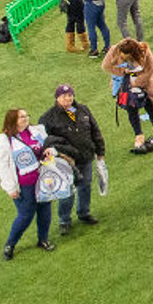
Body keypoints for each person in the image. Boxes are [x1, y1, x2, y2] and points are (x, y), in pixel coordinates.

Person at [38, 84, 104, 235]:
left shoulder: (83, 110)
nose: (68, 98)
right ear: (57, 98)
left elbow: (95, 131)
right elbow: (44, 140)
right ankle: (64, 221)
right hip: (66, 161)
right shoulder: (48, 118)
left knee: (85, 186)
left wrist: (100, 151)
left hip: (86, 155)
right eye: (64, 96)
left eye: (70, 95)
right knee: (67, 190)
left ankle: (84, 213)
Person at [0, 107, 57, 260]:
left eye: (26, 115)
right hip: (24, 185)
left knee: (45, 210)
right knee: (25, 215)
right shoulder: (4, 140)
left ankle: (43, 239)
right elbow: (2, 166)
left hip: (43, 179)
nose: (25, 118)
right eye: (21, 117)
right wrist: (10, 188)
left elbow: (50, 146)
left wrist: (51, 152)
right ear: (13, 121)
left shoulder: (37, 131)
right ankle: (10, 245)